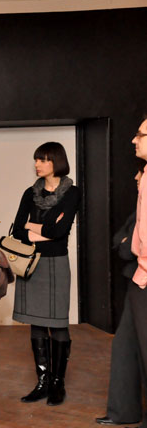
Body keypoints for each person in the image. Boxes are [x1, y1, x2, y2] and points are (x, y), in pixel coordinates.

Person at [11, 141, 80, 406]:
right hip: (32, 264)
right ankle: (42, 383)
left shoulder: (72, 193)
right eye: (36, 160)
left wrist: (34, 227)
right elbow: (18, 230)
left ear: (56, 162)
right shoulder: (30, 193)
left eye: (42, 159)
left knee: (58, 324)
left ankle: (57, 384)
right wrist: (43, 230)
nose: (37, 164)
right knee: (37, 324)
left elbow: (60, 232)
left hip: (56, 264)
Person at [95, 161, 146, 426]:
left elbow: (130, 248)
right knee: (124, 345)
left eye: (141, 171)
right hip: (136, 280)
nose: (136, 177)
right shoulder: (138, 206)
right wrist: (128, 244)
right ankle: (123, 412)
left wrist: (129, 245)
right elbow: (120, 242)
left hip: (142, 280)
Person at [126, 117, 147, 428]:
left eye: (141, 134)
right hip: (139, 273)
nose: (134, 139)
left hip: (144, 274)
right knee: (127, 345)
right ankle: (124, 411)